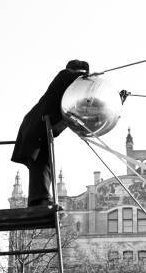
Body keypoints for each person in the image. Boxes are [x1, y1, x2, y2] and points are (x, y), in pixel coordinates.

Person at [11, 60, 90, 207]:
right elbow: (72, 77)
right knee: (41, 164)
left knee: (44, 164)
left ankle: (38, 200)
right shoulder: (64, 76)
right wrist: (87, 77)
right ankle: (41, 200)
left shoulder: (70, 95)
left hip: (39, 129)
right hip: (36, 128)